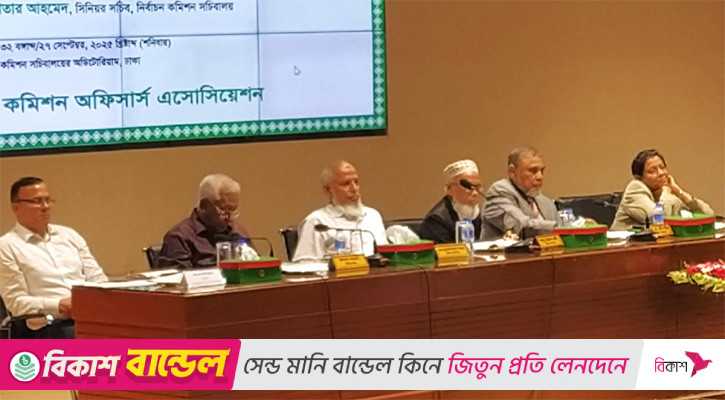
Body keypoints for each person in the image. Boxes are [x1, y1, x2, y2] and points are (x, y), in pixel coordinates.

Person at [0, 177, 107, 338]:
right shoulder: (6, 246)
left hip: (90, 317)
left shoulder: (69, 235)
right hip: (49, 326)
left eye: (47, 200)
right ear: (16, 207)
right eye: (37, 201)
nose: (45, 207)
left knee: (135, 331)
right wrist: (58, 305)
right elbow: (16, 303)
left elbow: (98, 279)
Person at [293, 160, 388, 261]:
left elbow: (385, 257)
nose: (354, 189)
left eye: (356, 182)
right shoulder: (317, 222)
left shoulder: (372, 216)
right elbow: (305, 263)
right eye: (346, 184)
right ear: (328, 190)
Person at [159, 174, 251, 268]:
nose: (229, 217)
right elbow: (179, 276)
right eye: (224, 209)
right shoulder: (179, 237)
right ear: (204, 206)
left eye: (233, 210)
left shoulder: (238, 232)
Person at [611, 149, 713, 230]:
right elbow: (660, 220)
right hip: (623, 247)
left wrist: (679, 192)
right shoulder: (635, 189)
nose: (661, 173)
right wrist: (666, 191)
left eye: (662, 167)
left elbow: (708, 215)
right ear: (639, 177)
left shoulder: (665, 193)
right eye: (652, 171)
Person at [483, 146, 558, 239]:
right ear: (512, 172)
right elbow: (520, 225)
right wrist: (558, 227)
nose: (540, 177)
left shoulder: (546, 202)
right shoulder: (499, 191)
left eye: (542, 171)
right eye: (533, 171)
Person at [419, 159, 484, 243]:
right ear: (449, 189)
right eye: (468, 187)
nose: (475, 193)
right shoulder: (436, 220)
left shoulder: (481, 215)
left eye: (478, 187)